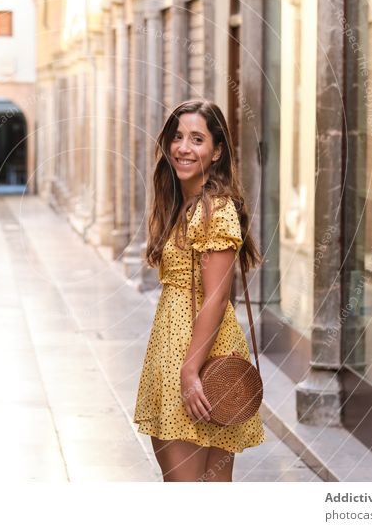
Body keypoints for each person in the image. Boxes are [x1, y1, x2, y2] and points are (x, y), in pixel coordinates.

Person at [133, 99, 264, 482]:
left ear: (217, 151)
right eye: (177, 137)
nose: (183, 148)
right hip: (179, 349)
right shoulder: (186, 203)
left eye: (197, 139)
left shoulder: (213, 209)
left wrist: (190, 370)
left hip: (196, 356)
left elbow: (217, 296)